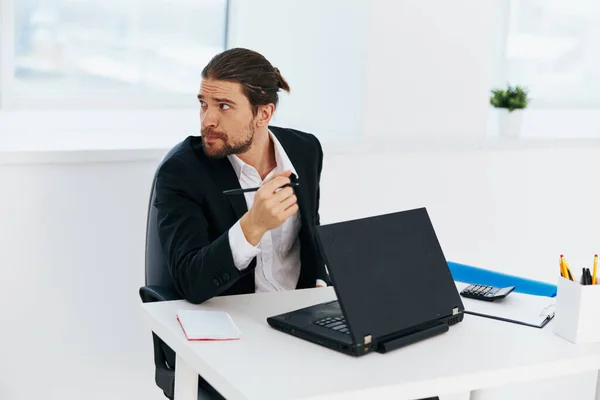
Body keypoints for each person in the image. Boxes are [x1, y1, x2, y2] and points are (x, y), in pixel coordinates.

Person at [155, 47, 329, 305]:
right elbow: (190, 281)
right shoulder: (182, 170)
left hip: (299, 310)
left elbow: (310, 235)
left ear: (263, 114)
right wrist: (253, 226)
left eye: (223, 106)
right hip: (233, 319)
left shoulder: (305, 150)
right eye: (204, 104)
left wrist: (320, 284)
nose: (207, 120)